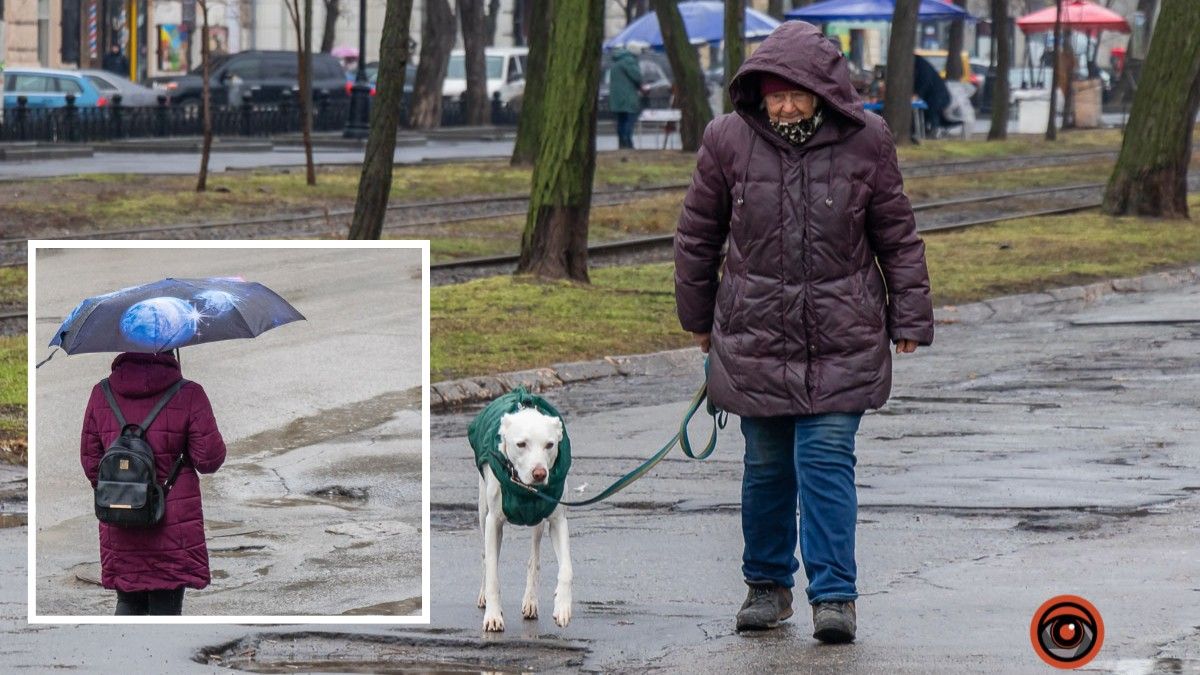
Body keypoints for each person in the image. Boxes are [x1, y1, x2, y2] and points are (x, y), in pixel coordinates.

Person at [674, 21, 933, 643]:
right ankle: (766, 585)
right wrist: (698, 319)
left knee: (824, 459)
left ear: (823, 90)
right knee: (766, 466)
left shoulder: (868, 140)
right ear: (757, 92)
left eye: (796, 92)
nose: (785, 104)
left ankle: (834, 597)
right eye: (773, 92)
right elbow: (697, 236)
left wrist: (911, 314)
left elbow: (896, 233)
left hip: (843, 330)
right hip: (754, 330)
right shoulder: (726, 139)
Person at [80, 352, 227, 615]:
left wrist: (126, 493)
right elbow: (209, 460)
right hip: (173, 524)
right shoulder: (190, 393)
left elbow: (92, 463)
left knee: (127, 602)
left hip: (120, 518)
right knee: (166, 608)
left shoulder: (101, 393)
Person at [608, 45, 645, 149]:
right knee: (630, 120)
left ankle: (621, 143)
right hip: (628, 97)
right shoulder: (629, 61)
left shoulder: (617, 61)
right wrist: (642, 86)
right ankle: (627, 143)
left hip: (616, 98)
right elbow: (637, 77)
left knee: (621, 121)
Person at [913, 54, 952, 138]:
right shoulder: (923, 66)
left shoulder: (923, 68)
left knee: (932, 111)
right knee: (928, 112)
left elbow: (924, 82)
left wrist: (918, 94)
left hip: (938, 96)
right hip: (935, 96)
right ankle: (929, 131)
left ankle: (934, 131)